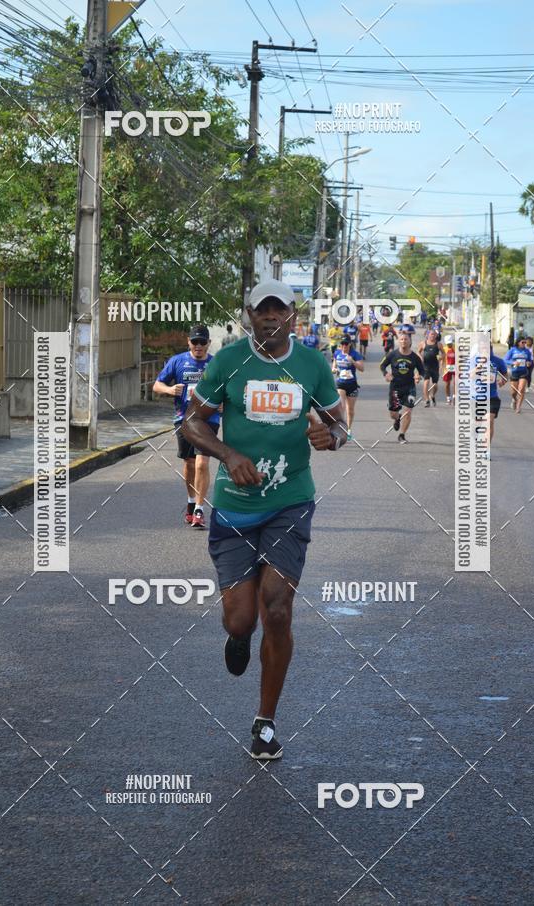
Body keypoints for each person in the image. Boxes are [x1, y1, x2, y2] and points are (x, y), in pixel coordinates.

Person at [182, 279, 347, 760]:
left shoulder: (312, 364)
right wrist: (228, 453)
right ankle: (238, 636)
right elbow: (192, 423)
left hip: (290, 502)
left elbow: (339, 424)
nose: (271, 317)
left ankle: (265, 722)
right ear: (249, 315)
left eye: (281, 310)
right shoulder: (229, 361)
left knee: (277, 607)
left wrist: (331, 438)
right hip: (235, 507)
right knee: (241, 620)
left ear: (293, 316)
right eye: (262, 310)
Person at [152, 325, 219, 529]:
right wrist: (170, 389)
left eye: (203, 342)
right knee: (190, 464)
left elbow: (227, 389)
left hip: (209, 420)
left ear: (209, 343)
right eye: (195, 342)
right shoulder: (177, 361)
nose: (199, 346)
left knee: (202, 464)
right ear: (188, 342)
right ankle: (191, 502)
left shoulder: (216, 364)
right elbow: (156, 385)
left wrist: (223, 402)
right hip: (184, 420)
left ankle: (199, 509)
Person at [380, 329, 424, 444]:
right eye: (401, 339)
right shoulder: (393, 354)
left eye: (406, 339)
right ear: (399, 341)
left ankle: (402, 435)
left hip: (409, 387)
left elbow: (422, 371)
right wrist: (386, 374)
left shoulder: (415, 357)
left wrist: (418, 375)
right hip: (395, 387)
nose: (404, 341)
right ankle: (397, 418)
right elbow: (382, 365)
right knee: (393, 414)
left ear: (410, 342)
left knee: (408, 411)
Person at [332, 335, 365, 434]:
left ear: (350, 344)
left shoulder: (355, 354)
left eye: (346, 344)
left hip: (352, 384)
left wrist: (353, 361)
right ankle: (340, 427)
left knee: (350, 410)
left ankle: (348, 429)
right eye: (342, 344)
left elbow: (362, 369)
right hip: (340, 383)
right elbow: (333, 366)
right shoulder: (337, 353)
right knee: (341, 406)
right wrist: (334, 369)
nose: (344, 346)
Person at [505, 337, 533, 413]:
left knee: (521, 389)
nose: (524, 344)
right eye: (523, 342)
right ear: (518, 343)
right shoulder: (512, 350)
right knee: (513, 392)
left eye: (525, 342)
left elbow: (530, 361)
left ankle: (518, 407)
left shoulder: (527, 351)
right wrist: (513, 363)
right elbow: (505, 360)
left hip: (523, 372)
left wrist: (529, 363)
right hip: (514, 372)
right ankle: (514, 399)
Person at [418, 328, 444, 407]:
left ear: (436, 336)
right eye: (431, 334)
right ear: (428, 335)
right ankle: (427, 400)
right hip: (426, 366)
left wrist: (441, 357)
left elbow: (443, 353)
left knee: (435, 385)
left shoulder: (438, 344)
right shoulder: (423, 343)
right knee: (426, 383)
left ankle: (432, 395)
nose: (432, 336)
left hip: (435, 366)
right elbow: (418, 351)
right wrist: (420, 357)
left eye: (434, 334)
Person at [443, 334, 456, 405]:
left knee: (456, 383)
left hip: (455, 367)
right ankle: (448, 398)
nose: (449, 345)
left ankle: (454, 397)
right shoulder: (444, 349)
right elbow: (441, 358)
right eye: (448, 343)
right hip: (447, 369)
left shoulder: (456, 348)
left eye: (450, 343)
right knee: (447, 384)